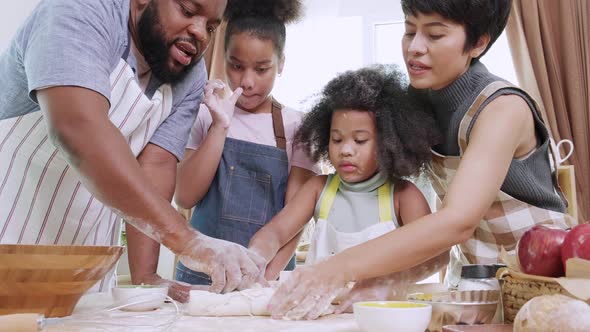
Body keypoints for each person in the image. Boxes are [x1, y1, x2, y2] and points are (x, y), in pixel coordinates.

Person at [266, 0, 573, 320]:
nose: (415, 47)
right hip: (475, 286)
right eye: (409, 30)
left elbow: (457, 221)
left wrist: (333, 269)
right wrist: (391, 280)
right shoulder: (416, 104)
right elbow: (438, 244)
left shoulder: (503, 108)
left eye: (435, 35)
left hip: (542, 286)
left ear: (479, 42)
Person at [0, 0, 266, 298]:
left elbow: (156, 166)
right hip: (8, 229)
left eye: (211, 26)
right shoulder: (77, 11)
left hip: (84, 267)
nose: (200, 33)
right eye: (188, 11)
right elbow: (77, 128)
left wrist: (146, 277)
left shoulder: (190, 76)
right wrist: (188, 241)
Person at [248, 65, 447, 318]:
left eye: (360, 140)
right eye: (337, 139)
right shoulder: (319, 189)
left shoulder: (403, 196)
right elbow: (276, 232)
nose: (346, 150)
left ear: (389, 142)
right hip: (317, 318)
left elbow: (437, 257)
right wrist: (256, 255)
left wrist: (388, 283)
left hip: (379, 318)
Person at [170, 0, 317, 286]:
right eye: (236, 66)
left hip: (267, 278)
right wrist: (219, 127)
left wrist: (266, 277)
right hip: (202, 275)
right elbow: (185, 197)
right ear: (223, 58)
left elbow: (295, 219)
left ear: (281, 64)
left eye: (262, 69)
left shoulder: (298, 127)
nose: (247, 81)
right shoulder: (205, 115)